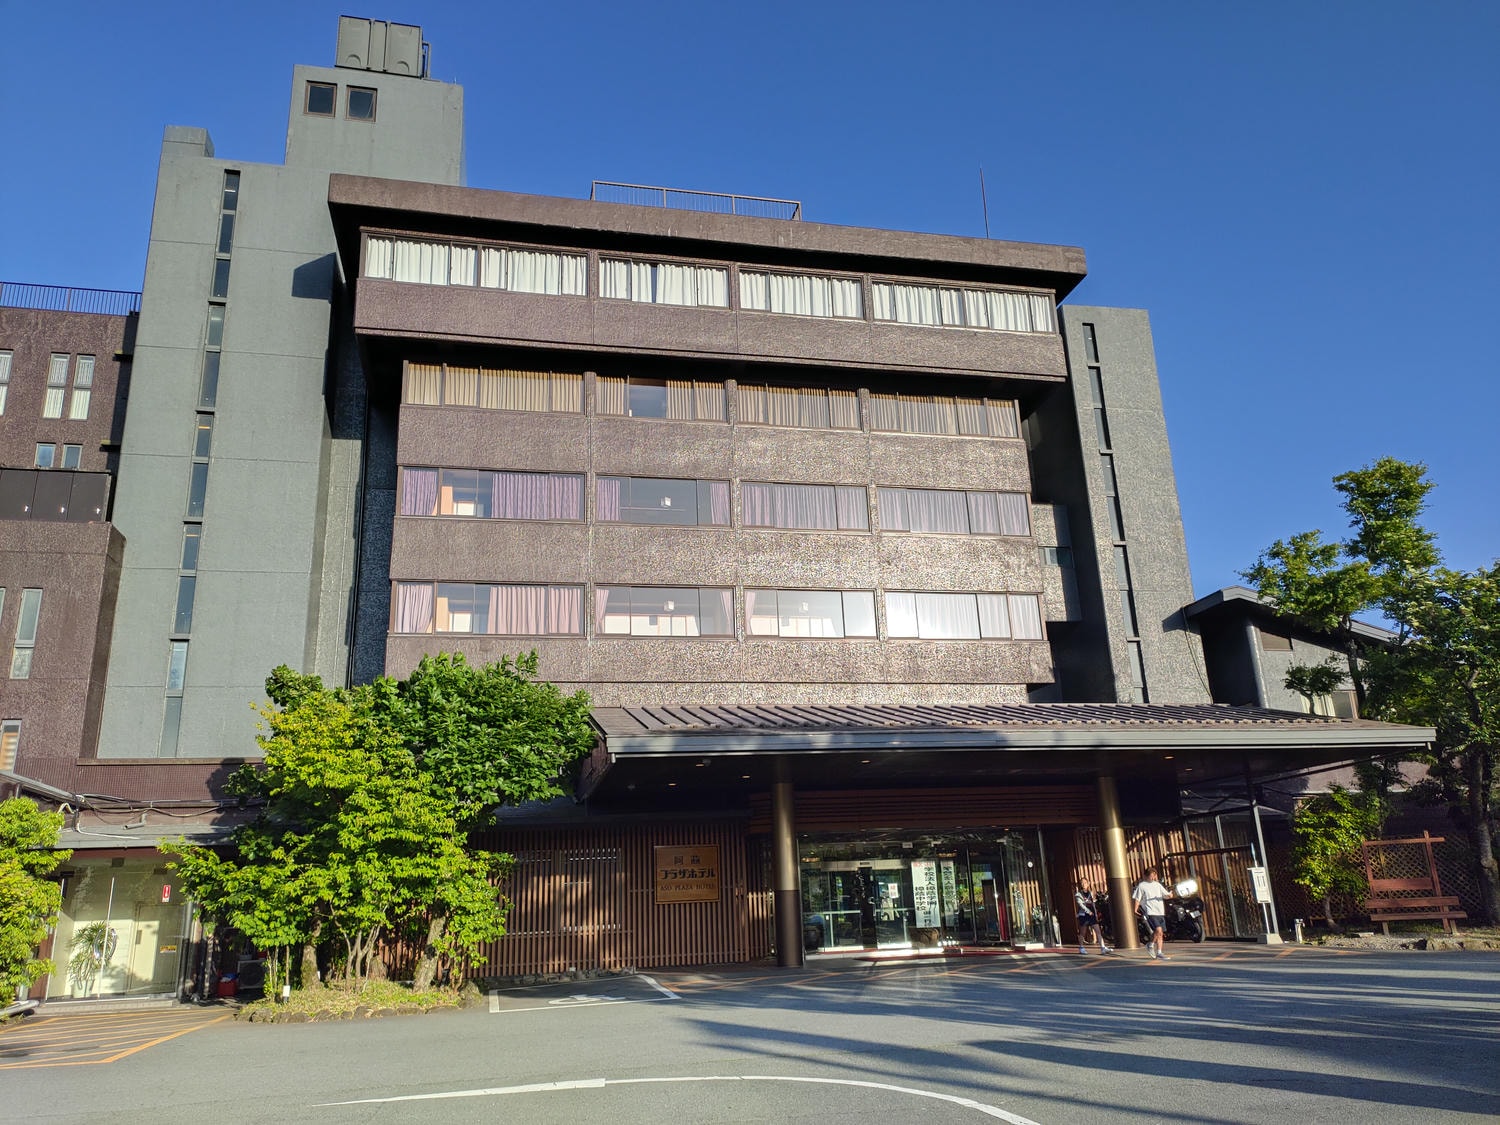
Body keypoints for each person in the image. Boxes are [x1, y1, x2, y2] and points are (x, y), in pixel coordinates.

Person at [1132, 868, 1171, 960]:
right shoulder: (1142, 886)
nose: (1153, 877)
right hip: (1150, 911)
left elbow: (1165, 895)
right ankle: (1151, 945)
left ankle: (1159, 952)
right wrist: (1135, 909)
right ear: (1145, 876)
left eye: (1154, 875)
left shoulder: (1158, 885)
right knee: (1158, 930)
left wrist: (1169, 895)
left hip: (1160, 911)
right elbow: (1137, 898)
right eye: (1151, 875)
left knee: (1160, 933)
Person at [1074, 880, 1113, 954]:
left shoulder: (1090, 893)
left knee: (1098, 931)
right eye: (1082, 883)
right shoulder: (1078, 894)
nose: (1083, 884)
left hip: (1092, 915)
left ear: (1088, 884)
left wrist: (1095, 913)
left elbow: (1093, 903)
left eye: (1085, 883)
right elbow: (1081, 905)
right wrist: (1088, 911)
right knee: (1083, 932)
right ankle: (1081, 947)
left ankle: (1103, 947)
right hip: (1084, 915)